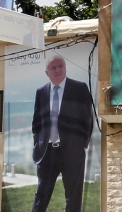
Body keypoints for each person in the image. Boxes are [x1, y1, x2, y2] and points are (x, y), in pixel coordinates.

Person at [31, 54, 94, 212]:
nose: (57, 70)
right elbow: (36, 122)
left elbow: (88, 118)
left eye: (60, 66)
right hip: (47, 153)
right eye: (53, 68)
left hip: (72, 152)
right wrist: (37, 144)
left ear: (65, 69)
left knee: (73, 197)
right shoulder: (41, 92)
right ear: (47, 72)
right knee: (41, 196)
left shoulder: (79, 88)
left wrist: (83, 144)